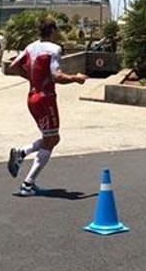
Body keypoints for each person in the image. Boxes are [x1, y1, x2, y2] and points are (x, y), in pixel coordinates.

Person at [6, 19, 87, 197]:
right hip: (46, 99)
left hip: (32, 97)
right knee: (52, 139)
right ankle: (27, 179)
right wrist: (76, 78)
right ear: (52, 30)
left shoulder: (31, 47)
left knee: (51, 138)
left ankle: (24, 162)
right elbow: (56, 75)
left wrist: (31, 79)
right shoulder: (54, 49)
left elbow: (13, 66)